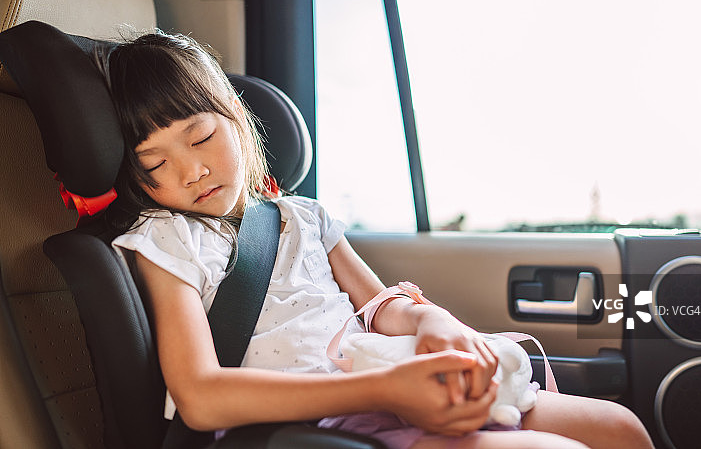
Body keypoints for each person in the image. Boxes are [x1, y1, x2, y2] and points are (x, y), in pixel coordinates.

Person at [99, 30, 654, 449]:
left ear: (236, 120)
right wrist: (386, 391)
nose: (191, 171)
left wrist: (428, 320)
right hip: (323, 422)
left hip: (391, 376)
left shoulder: (302, 217)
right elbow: (198, 395)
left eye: (200, 137)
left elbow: (379, 305)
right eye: (156, 162)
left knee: (619, 428)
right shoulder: (167, 240)